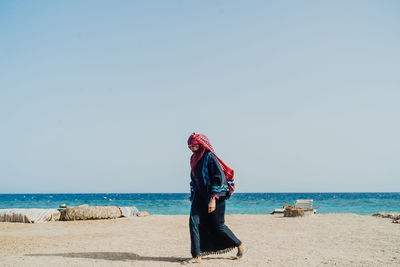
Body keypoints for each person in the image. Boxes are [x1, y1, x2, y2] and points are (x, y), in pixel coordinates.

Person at [184, 133, 247, 264]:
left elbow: (218, 178)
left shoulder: (209, 157)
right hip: (198, 196)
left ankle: (239, 244)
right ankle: (196, 255)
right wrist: (193, 194)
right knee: (193, 222)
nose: (191, 148)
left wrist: (213, 198)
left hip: (215, 196)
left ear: (200, 144)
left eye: (193, 145)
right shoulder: (193, 159)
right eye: (189, 146)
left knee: (218, 225)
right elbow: (194, 178)